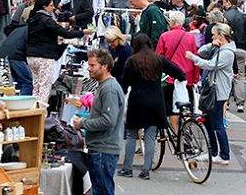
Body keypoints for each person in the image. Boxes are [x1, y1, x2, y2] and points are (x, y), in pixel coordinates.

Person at [119, 34, 185, 180]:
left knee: (131, 135)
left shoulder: (132, 61)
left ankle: (127, 169)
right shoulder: (158, 59)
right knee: (150, 136)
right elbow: (179, 72)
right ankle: (146, 170)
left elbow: (125, 82)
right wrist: (181, 81)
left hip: (137, 102)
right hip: (155, 102)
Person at [73, 49, 124, 195]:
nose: (89, 68)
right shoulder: (105, 86)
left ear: (105, 66)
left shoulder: (109, 89)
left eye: (92, 65)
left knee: (102, 190)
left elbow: (108, 120)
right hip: (101, 149)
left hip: (103, 150)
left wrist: (82, 123)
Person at [186, 23, 236, 165]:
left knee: (217, 124)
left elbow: (209, 64)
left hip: (218, 93)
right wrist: (212, 45)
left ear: (221, 35)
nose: (212, 36)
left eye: (214, 34)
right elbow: (202, 51)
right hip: (214, 91)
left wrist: (192, 58)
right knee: (208, 121)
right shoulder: (221, 49)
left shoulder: (227, 53)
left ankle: (224, 154)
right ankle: (214, 152)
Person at [27, 0, 89, 102]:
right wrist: (83, 32)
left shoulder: (33, 19)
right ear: (44, 7)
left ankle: (34, 113)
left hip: (31, 56)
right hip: (44, 56)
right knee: (44, 87)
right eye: (51, 5)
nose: (53, 7)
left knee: (36, 86)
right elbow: (65, 33)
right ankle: (41, 114)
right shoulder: (46, 20)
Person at [156, 11, 200, 129]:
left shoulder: (164, 36)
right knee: (186, 105)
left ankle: (176, 133)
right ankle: (186, 129)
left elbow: (159, 58)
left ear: (172, 22)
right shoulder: (190, 37)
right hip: (187, 77)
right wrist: (196, 77)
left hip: (170, 78)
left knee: (172, 109)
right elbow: (194, 59)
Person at [0, 22, 32, 95]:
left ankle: (16, 100)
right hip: (16, 56)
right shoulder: (31, 31)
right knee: (27, 82)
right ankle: (23, 103)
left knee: (17, 81)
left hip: (4, 54)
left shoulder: (19, 29)